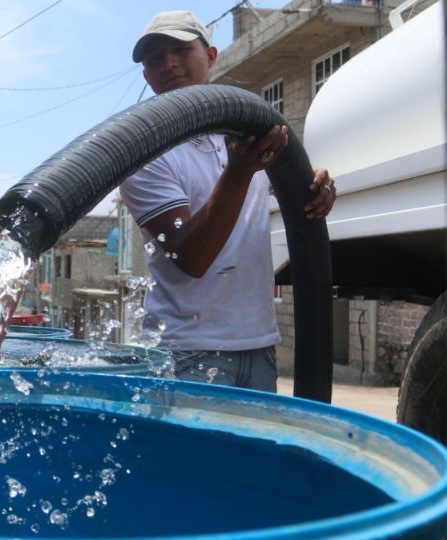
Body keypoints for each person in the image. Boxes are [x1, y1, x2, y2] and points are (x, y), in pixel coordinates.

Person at [119, 10, 337, 392]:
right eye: (155, 57)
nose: (168, 62)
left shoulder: (248, 134)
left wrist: (315, 188)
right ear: (146, 75)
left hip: (260, 348)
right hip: (185, 354)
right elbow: (191, 257)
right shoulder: (144, 154)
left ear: (212, 55)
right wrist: (237, 173)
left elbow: (290, 190)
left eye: (181, 49)